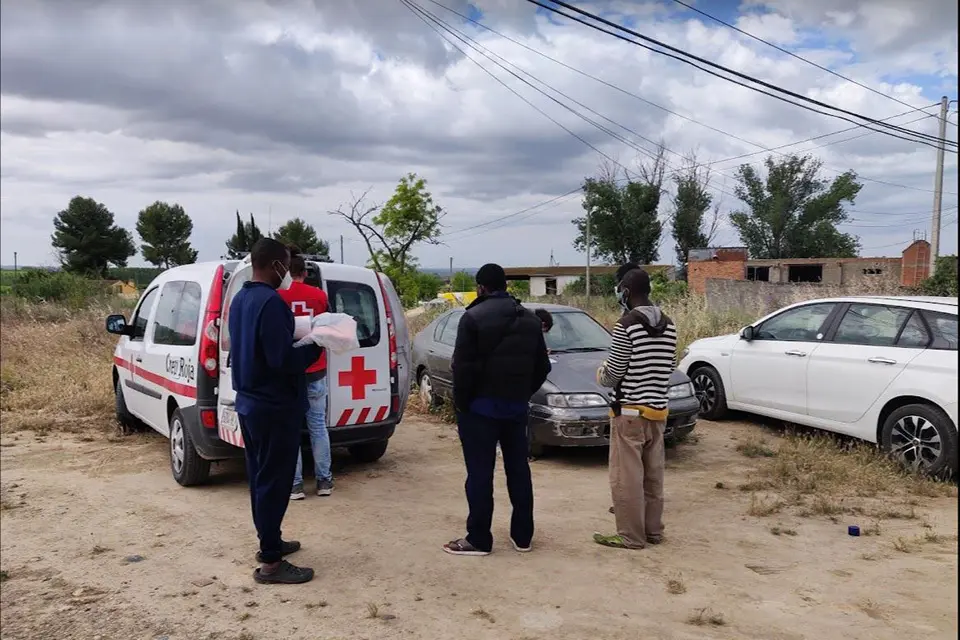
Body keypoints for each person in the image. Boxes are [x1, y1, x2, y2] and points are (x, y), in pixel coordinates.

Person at [228, 238, 322, 584]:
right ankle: (270, 562)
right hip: (273, 406)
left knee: (260, 478)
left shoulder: (241, 299)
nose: (290, 269)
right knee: (275, 481)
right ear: (274, 265)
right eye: (286, 263)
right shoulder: (271, 303)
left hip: (251, 404)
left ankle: (272, 540)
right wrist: (315, 345)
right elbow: (281, 359)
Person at [444, 263, 551, 556]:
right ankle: (523, 537)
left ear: (481, 287)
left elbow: (462, 370)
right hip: (516, 409)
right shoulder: (530, 320)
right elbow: (543, 366)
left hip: (479, 410)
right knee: (519, 470)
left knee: (480, 474)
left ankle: (479, 539)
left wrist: (462, 405)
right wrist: (521, 393)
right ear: (505, 285)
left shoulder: (472, 318)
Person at [593, 267, 677, 550]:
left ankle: (630, 536)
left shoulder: (626, 325)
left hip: (629, 414)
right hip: (658, 412)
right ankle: (654, 530)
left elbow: (613, 373)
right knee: (653, 476)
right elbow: (668, 366)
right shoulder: (670, 324)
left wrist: (601, 374)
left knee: (625, 477)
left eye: (620, 289)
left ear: (626, 291)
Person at [277, 248, 334, 500]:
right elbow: (328, 328)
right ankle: (324, 482)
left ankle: (296, 485)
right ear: (304, 273)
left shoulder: (277, 296)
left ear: (287, 272)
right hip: (316, 368)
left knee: (290, 429)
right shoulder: (319, 295)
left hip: (288, 370)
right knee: (318, 426)